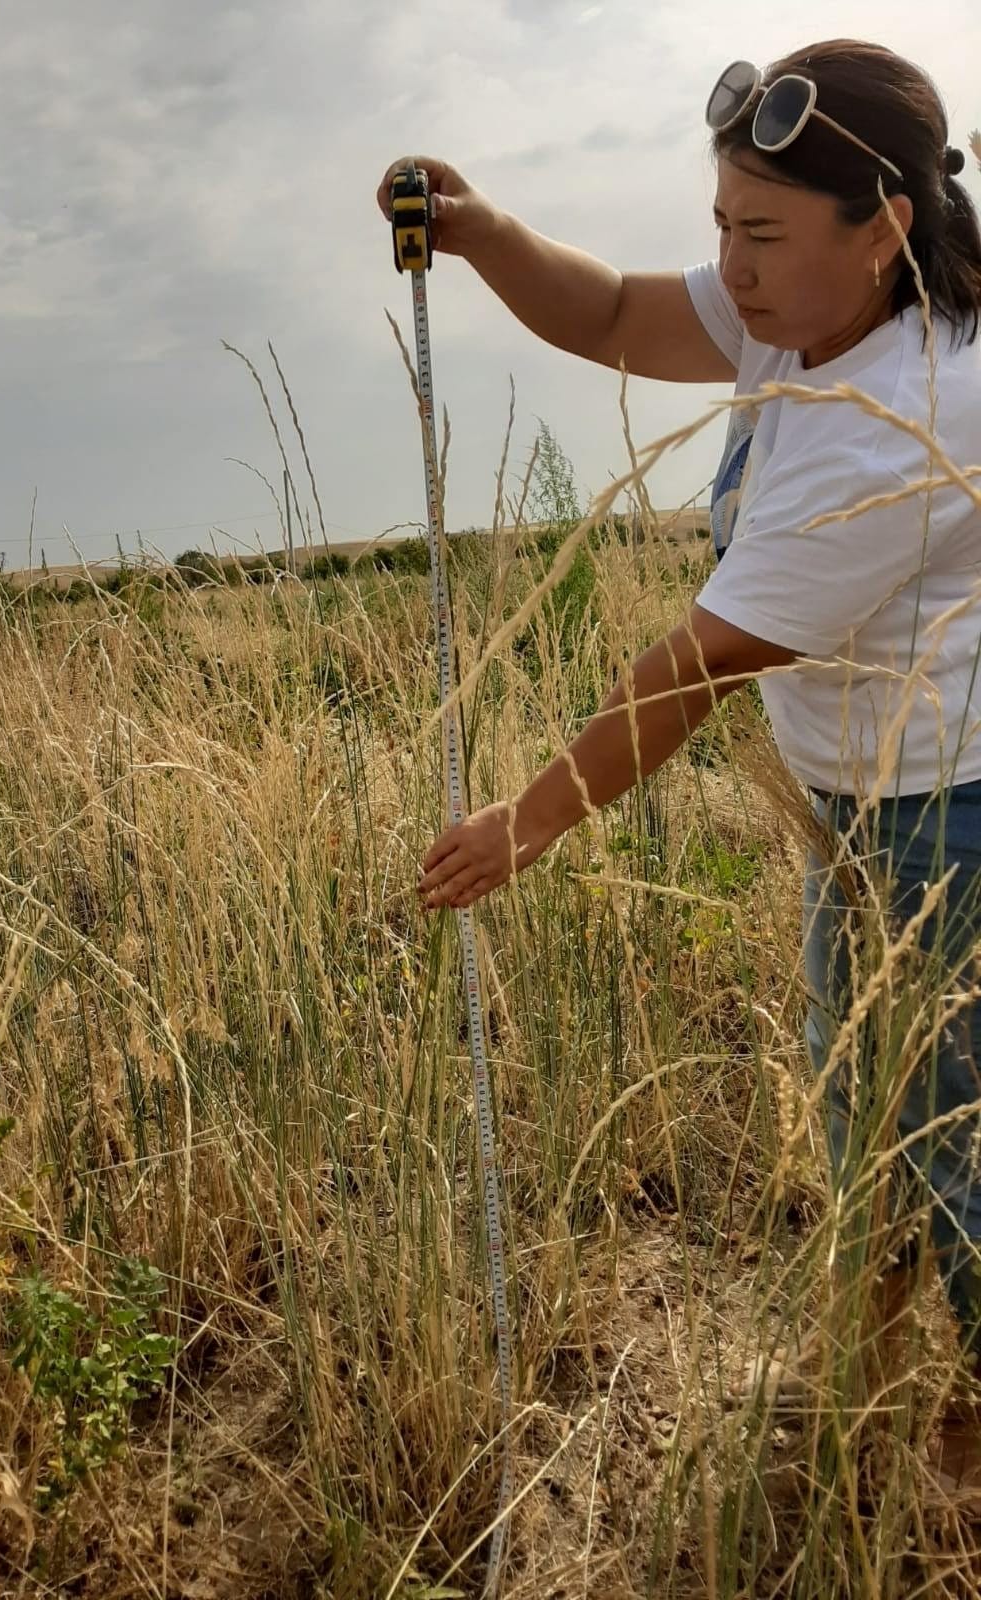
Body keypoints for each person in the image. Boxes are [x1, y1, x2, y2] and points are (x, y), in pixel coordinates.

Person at [378, 39, 981, 1487]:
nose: (733, 267)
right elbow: (615, 314)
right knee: (874, 1132)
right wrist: (481, 232)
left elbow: (692, 673)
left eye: (760, 238)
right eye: (721, 226)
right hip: (864, 816)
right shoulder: (814, 311)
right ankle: (879, 1409)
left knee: (956, 1160)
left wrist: (523, 824)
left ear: (885, 224)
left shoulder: (904, 421)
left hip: (944, 827)